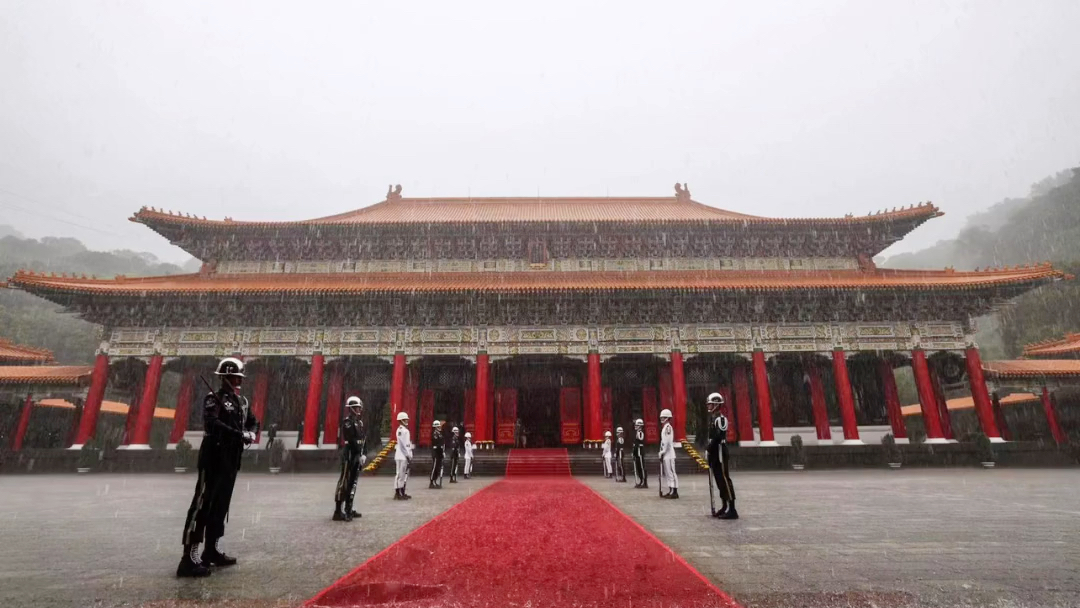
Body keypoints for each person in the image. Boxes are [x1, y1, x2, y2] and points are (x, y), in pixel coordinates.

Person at [178, 357, 259, 578]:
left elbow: (253, 421)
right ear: (224, 377)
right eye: (233, 377)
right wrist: (238, 434)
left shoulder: (241, 402)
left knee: (221, 506)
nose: (236, 380)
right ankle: (189, 556)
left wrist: (251, 432)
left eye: (238, 377)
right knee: (202, 504)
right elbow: (212, 424)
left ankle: (211, 550)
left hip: (232, 458)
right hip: (214, 456)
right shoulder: (213, 399)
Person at [333, 396, 367, 522]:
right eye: (357, 407)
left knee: (353, 482)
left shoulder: (359, 423)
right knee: (344, 482)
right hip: (349, 455)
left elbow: (364, 440)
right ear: (352, 408)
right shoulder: (347, 422)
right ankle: (337, 511)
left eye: (360, 407)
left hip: (357, 455)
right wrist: (358, 452)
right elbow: (352, 440)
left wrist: (364, 454)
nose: (359, 410)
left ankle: (348, 508)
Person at [706, 393, 738, 519]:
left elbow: (719, 436)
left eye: (710, 403)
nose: (708, 406)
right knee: (719, 480)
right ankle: (724, 506)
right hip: (714, 451)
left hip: (719, 450)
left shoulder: (721, 419)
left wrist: (709, 448)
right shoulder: (713, 418)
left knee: (725, 479)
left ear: (716, 404)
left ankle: (732, 509)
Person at [659, 408, 679, 499]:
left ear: (667, 418)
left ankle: (675, 491)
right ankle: (671, 489)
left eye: (663, 417)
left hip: (669, 454)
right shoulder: (665, 427)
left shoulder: (668, 427)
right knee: (668, 473)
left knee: (671, 472)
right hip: (665, 454)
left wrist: (662, 451)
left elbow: (667, 442)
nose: (662, 419)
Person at [394, 411, 413, 500]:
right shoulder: (403, 430)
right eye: (405, 419)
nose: (407, 420)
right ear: (401, 420)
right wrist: (407, 455)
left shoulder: (402, 430)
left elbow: (407, 444)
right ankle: (398, 493)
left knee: (402, 474)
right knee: (400, 475)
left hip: (402, 455)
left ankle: (401, 491)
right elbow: (402, 444)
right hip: (402, 455)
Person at [632, 418, 648, 488]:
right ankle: (641, 480)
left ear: (640, 426)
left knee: (641, 467)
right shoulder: (637, 433)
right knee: (638, 468)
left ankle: (644, 482)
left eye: (637, 425)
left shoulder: (640, 433)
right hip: (637, 452)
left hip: (640, 452)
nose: (635, 426)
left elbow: (640, 441)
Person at [429, 420, 444, 489]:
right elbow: (436, 444)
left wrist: (442, 452)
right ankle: (432, 481)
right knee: (434, 467)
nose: (439, 427)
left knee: (438, 468)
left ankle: (435, 480)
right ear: (435, 427)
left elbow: (442, 443)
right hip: (435, 452)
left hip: (439, 452)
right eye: (438, 426)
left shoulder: (440, 434)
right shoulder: (434, 434)